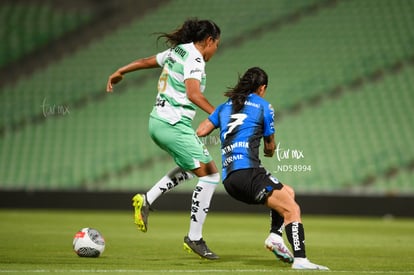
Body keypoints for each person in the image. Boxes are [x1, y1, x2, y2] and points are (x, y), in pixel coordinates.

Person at [106, 18, 221, 260]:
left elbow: (148, 61)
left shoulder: (177, 51)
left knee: (193, 169)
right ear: (209, 41)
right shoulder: (195, 58)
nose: (215, 50)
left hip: (157, 122)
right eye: (216, 45)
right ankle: (195, 238)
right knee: (210, 175)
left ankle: (147, 199)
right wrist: (219, 114)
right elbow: (193, 94)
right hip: (173, 124)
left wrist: (120, 71)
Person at [196, 67, 329, 270]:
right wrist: (270, 148)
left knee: (287, 193)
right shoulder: (264, 106)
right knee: (292, 209)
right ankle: (301, 260)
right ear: (262, 88)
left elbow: (201, 130)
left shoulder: (224, 107)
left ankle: (275, 237)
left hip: (230, 179)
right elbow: (269, 147)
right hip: (249, 172)